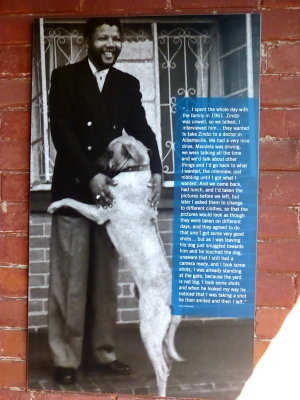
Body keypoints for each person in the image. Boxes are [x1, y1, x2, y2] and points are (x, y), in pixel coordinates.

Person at [48, 17, 162, 385]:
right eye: (103, 37)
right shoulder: (65, 77)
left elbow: (142, 129)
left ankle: (102, 353)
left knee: (104, 278)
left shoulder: (127, 85)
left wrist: (156, 170)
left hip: (111, 195)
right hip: (75, 188)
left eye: (116, 38)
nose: (111, 44)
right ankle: (66, 358)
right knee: (70, 278)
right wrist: (90, 174)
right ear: (88, 40)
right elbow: (61, 131)